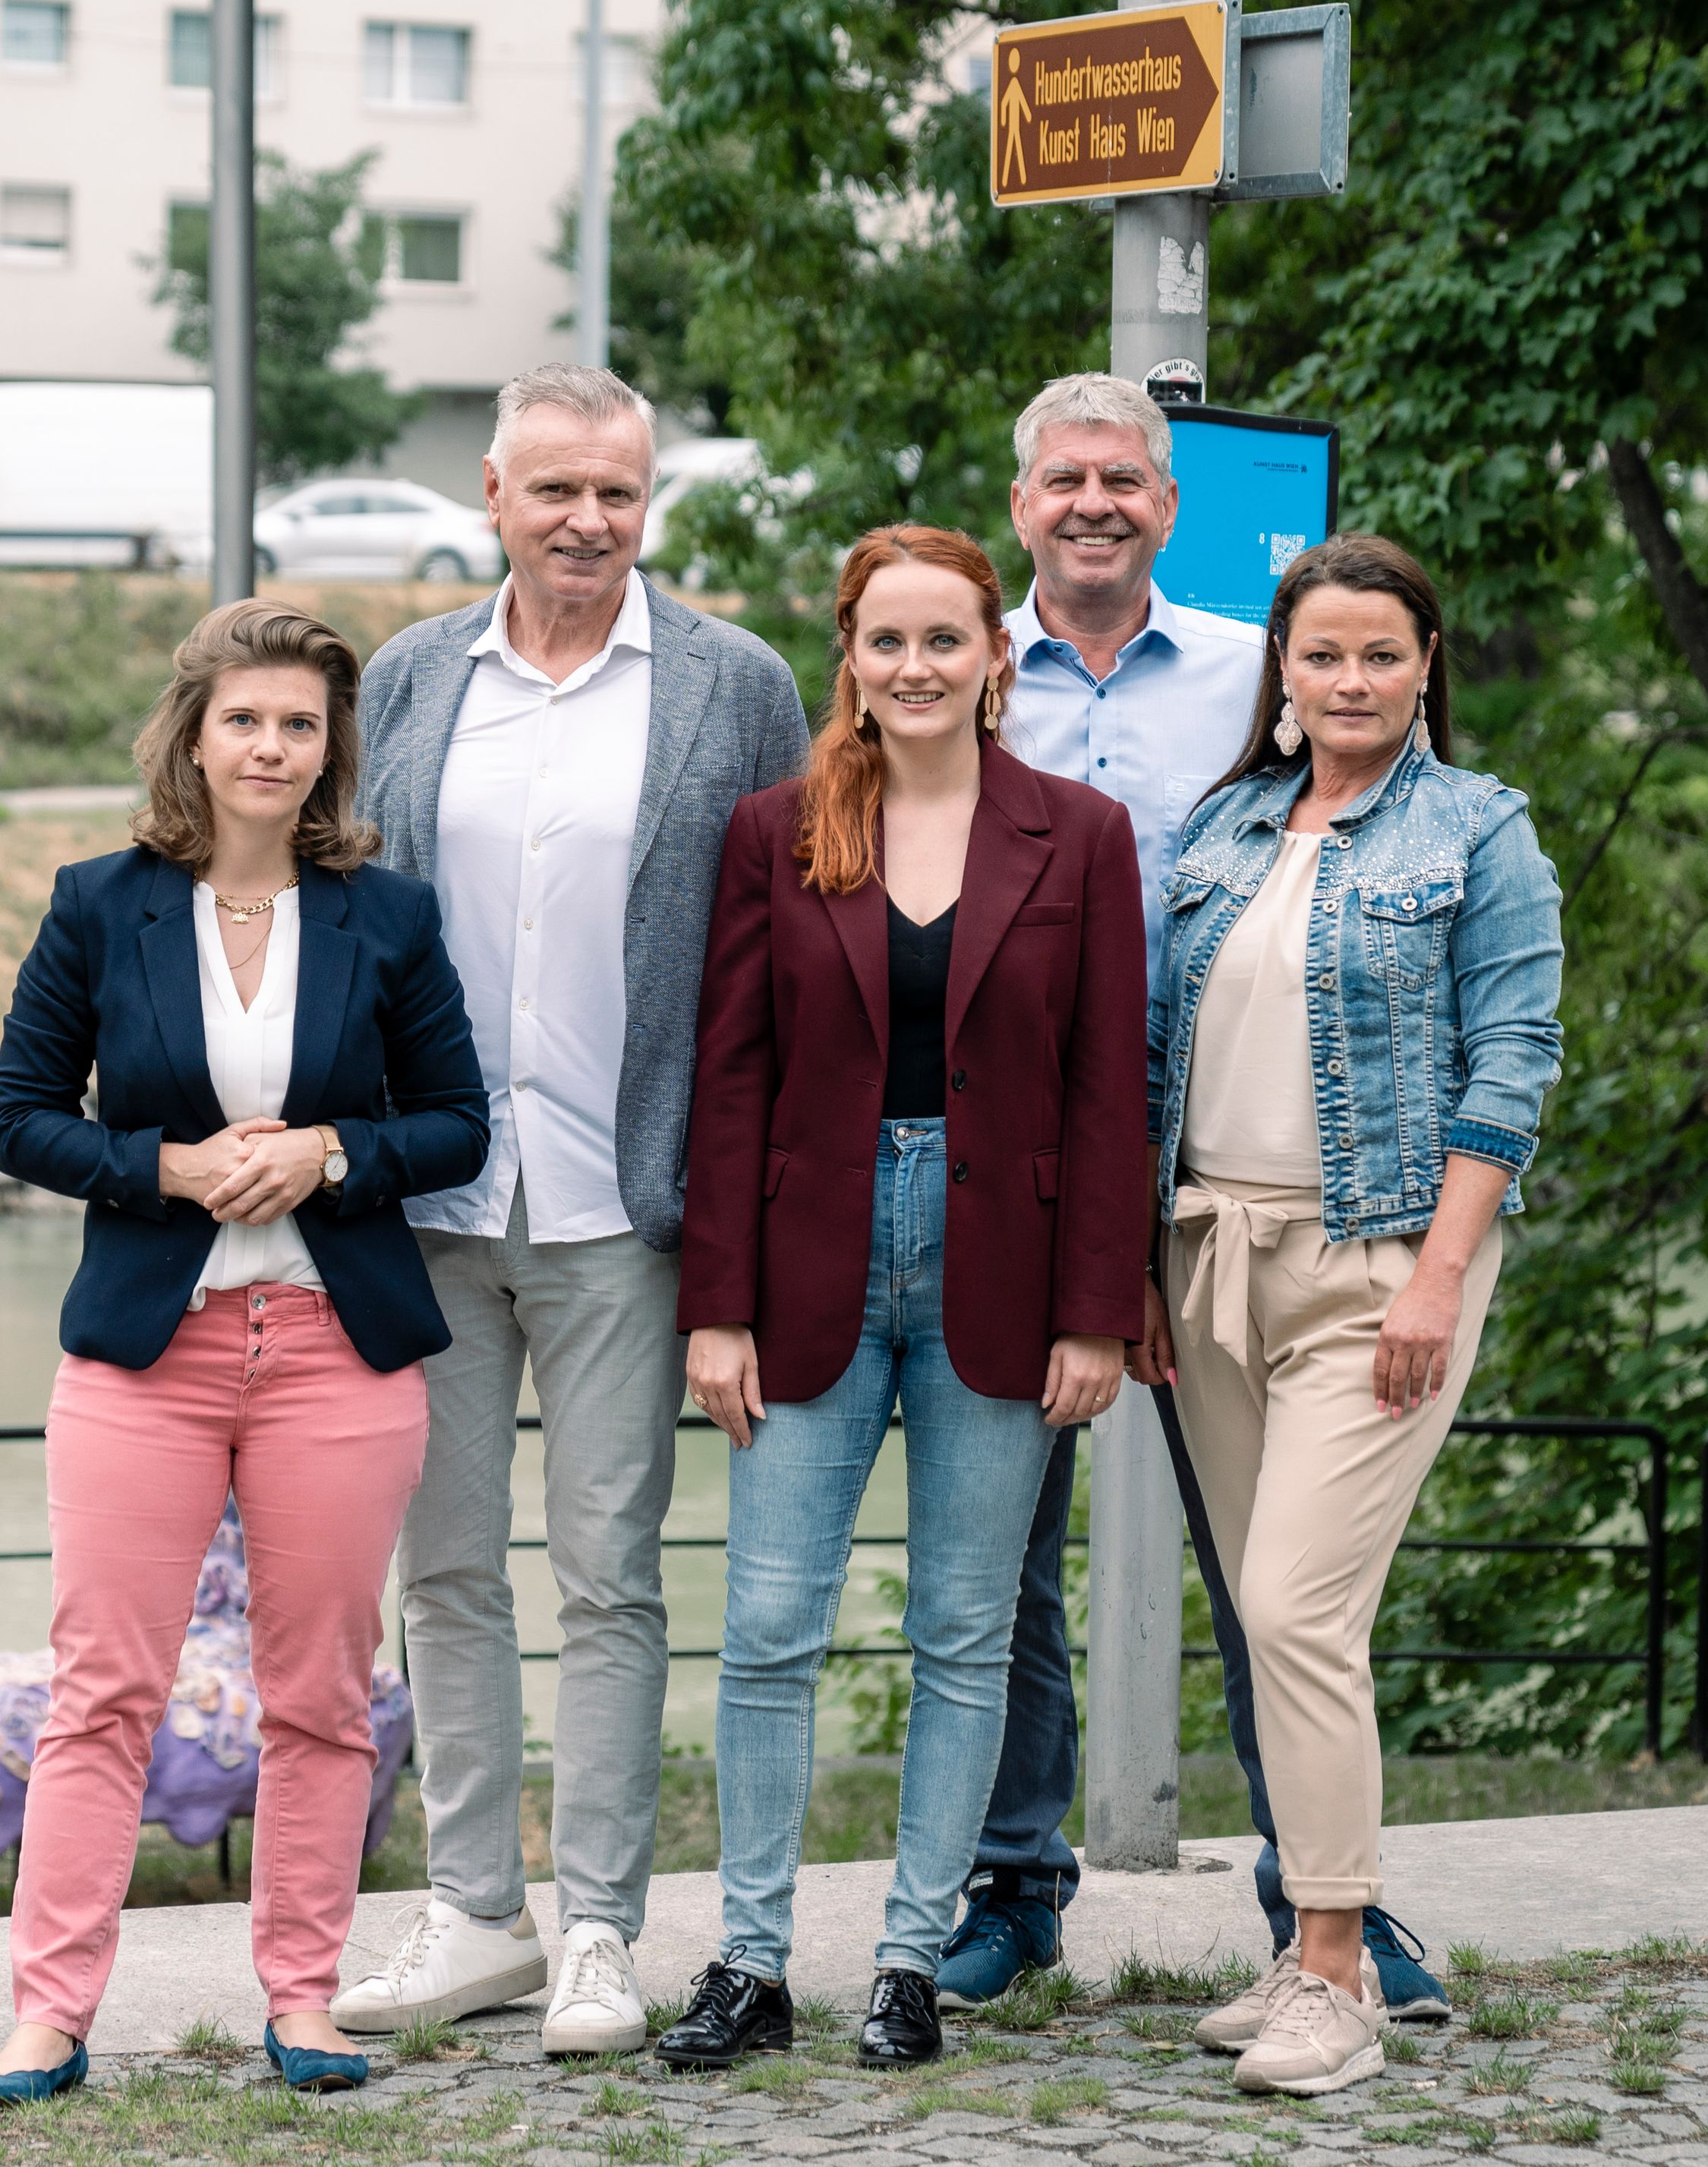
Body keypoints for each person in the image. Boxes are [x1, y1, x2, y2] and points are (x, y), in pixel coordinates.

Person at [944, 371, 1455, 2029]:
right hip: (1007, 1166)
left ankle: (1311, 1903)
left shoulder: (1264, 669)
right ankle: (1012, 1889)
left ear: (1169, 504)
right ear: (1020, 501)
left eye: (1124, 479)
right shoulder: (953, 668)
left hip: (1221, 1179)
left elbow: (1391, 866)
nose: (1092, 502)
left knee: (1271, 1574)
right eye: (1062, 478)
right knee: (998, 1555)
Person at [337, 364, 809, 2058]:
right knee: (443, 1569)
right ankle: (477, 1912)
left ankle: (600, 1925)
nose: (587, 522)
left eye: (616, 492)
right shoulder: (405, 679)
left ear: (646, 499)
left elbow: (786, 949)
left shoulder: (733, 686)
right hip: (430, 1198)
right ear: (491, 492)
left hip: (628, 1199)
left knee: (609, 1573)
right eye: (555, 492)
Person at [0, 604, 490, 2105]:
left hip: (337, 1352)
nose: (271, 747)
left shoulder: (382, 916)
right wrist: (168, 1169)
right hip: (148, 1356)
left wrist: (331, 1151)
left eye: (301, 724)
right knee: (98, 1696)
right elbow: (20, 1117)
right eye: (246, 719)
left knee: (321, 1698)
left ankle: (304, 2001)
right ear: (192, 732)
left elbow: (455, 1123)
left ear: (331, 749)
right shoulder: (97, 904)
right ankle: (48, 2017)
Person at [659, 525, 1147, 2074]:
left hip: (1002, 1266)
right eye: (886, 641)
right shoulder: (778, 830)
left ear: (996, 654)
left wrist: (1097, 1310)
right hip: (810, 1254)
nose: (916, 666)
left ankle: (909, 1964)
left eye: (945, 638)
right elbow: (728, 1077)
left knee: (961, 1628)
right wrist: (714, 1303)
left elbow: (1101, 1088)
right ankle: (747, 1964)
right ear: (849, 660)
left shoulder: (1079, 835)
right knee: (763, 1626)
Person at [1148, 535, 1564, 2096]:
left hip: (1380, 1265)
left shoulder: (1478, 830)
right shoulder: (1223, 824)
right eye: (1320, 655)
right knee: (1266, 1624)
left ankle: (1335, 1969)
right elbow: (1151, 1055)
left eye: (1378, 654)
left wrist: (1438, 1279)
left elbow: (1509, 1060)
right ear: (1283, 671)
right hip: (1207, 1256)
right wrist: (1141, 1266)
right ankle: (1302, 1945)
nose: (1347, 681)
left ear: (1424, 664)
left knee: (1294, 1610)